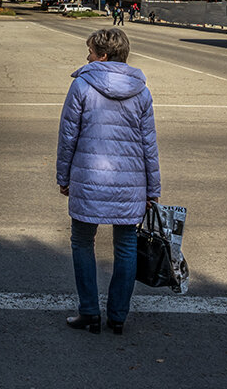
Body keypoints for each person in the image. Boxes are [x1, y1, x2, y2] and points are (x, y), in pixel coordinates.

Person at [56, 27, 160, 335]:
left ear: (102, 55)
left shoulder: (82, 86)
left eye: (89, 52)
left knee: (82, 242)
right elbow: (148, 144)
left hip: (89, 177)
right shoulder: (141, 90)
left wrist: (63, 176)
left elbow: (68, 136)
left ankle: (89, 311)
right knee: (126, 245)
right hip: (130, 181)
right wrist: (153, 188)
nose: (86, 57)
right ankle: (118, 316)